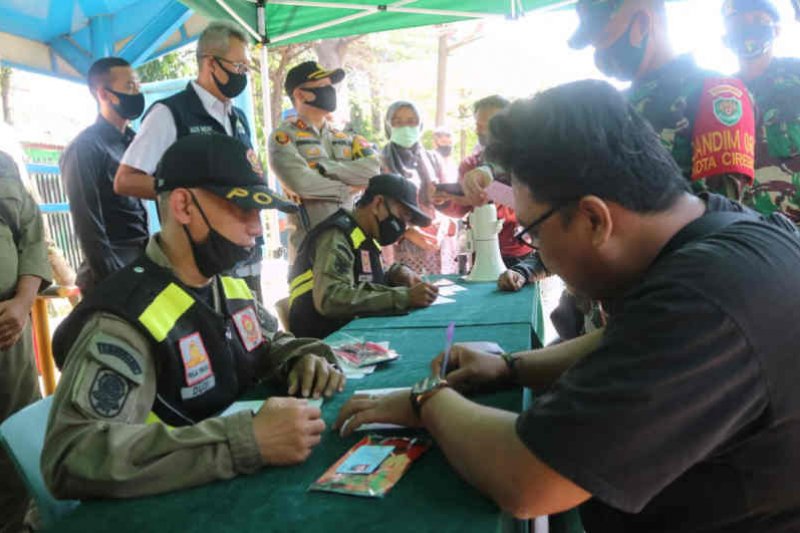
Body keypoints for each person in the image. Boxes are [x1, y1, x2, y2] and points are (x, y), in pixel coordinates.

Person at [334, 80, 800, 531]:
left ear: (595, 219)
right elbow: (634, 338)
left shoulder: (706, 299)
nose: (537, 248)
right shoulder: (724, 225)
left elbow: (530, 481)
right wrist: (511, 368)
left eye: (532, 233)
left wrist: (428, 399)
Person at [42, 134, 344, 500]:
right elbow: (72, 456)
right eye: (242, 208)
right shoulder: (124, 319)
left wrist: (299, 357)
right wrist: (245, 442)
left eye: (260, 212)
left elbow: (269, 344)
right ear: (184, 206)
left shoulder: (225, 286)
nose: (256, 227)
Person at [115, 21, 267, 301]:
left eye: (246, 68)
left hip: (242, 250)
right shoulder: (170, 113)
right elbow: (125, 180)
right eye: (238, 67)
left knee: (250, 331)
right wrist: (192, 194)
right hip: (198, 256)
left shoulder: (238, 118)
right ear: (211, 63)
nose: (243, 75)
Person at [569, 0, 756, 201]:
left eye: (604, 38)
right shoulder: (613, 105)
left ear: (641, 24)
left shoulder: (715, 91)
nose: (600, 55)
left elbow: (722, 210)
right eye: (594, 45)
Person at [287, 174, 439, 339]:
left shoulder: (364, 237)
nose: (403, 226)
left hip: (353, 335)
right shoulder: (336, 235)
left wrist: (396, 273)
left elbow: (363, 278)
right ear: (378, 203)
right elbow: (331, 298)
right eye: (402, 216)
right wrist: (405, 297)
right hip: (325, 346)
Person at [269, 61, 380, 264]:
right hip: (310, 249)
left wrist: (326, 169)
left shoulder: (346, 137)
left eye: (330, 86)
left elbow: (375, 170)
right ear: (300, 94)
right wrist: (350, 187)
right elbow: (301, 184)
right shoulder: (283, 136)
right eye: (322, 87)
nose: (329, 91)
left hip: (350, 240)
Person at [60, 57, 148, 295]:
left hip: (141, 261)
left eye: (138, 87)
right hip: (109, 272)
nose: (137, 93)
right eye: (129, 87)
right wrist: (113, 280)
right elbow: (88, 224)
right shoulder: (85, 148)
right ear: (104, 94)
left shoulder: (133, 141)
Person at [0, 151, 52, 533]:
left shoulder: (3, 165)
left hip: (8, 332)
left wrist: (22, 302)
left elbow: (32, 236)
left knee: (17, 443)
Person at [722, 0, 800, 223]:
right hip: (753, 233)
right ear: (725, 38)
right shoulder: (720, 94)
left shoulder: (796, 73)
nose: (749, 28)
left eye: (759, 20)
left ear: (776, 30)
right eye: (738, 23)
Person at [381, 100, 458, 274]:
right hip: (399, 242)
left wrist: (443, 214)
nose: (405, 127)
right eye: (397, 122)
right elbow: (376, 208)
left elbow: (449, 201)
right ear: (388, 125)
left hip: (436, 240)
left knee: (443, 293)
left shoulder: (433, 159)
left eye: (411, 121)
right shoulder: (379, 161)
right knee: (405, 293)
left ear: (420, 124)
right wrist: (407, 231)